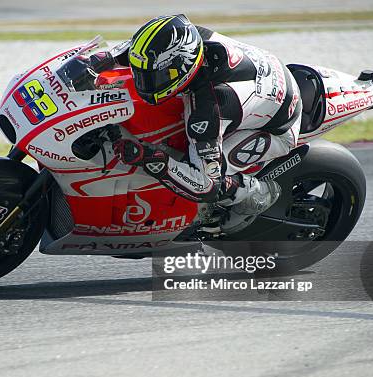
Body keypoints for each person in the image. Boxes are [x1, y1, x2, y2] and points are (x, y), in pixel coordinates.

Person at [111, 14, 302, 234]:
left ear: (182, 67)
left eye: (157, 76)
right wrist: (92, 62)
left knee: (203, 175)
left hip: (277, 129)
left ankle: (256, 194)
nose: (144, 83)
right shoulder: (190, 36)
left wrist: (149, 158)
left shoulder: (209, 107)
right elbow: (129, 51)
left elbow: (206, 185)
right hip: (267, 85)